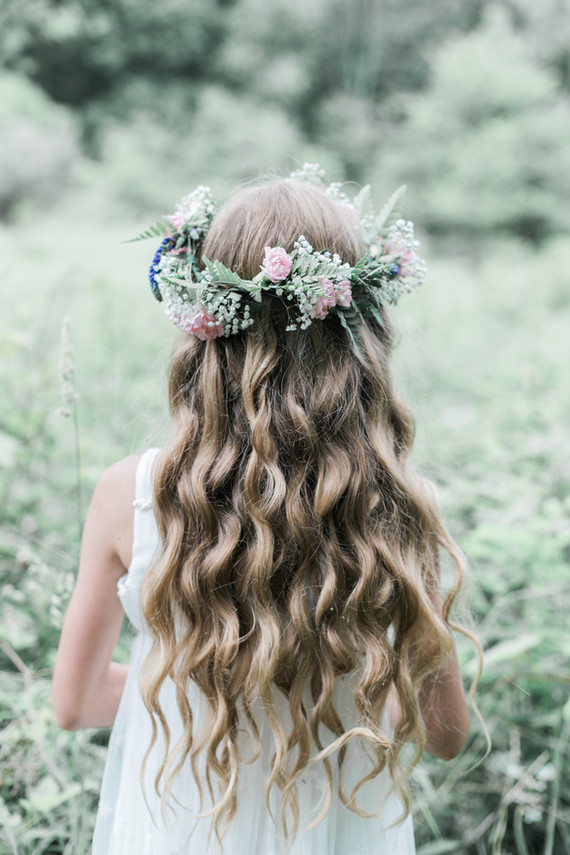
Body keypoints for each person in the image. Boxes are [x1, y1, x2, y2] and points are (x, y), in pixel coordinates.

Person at [53, 165, 472, 855]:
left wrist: (208, 673)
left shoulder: (129, 496)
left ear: (205, 327)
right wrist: (342, 700)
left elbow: (75, 703)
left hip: (179, 827)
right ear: (358, 335)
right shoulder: (394, 502)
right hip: (338, 827)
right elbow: (447, 731)